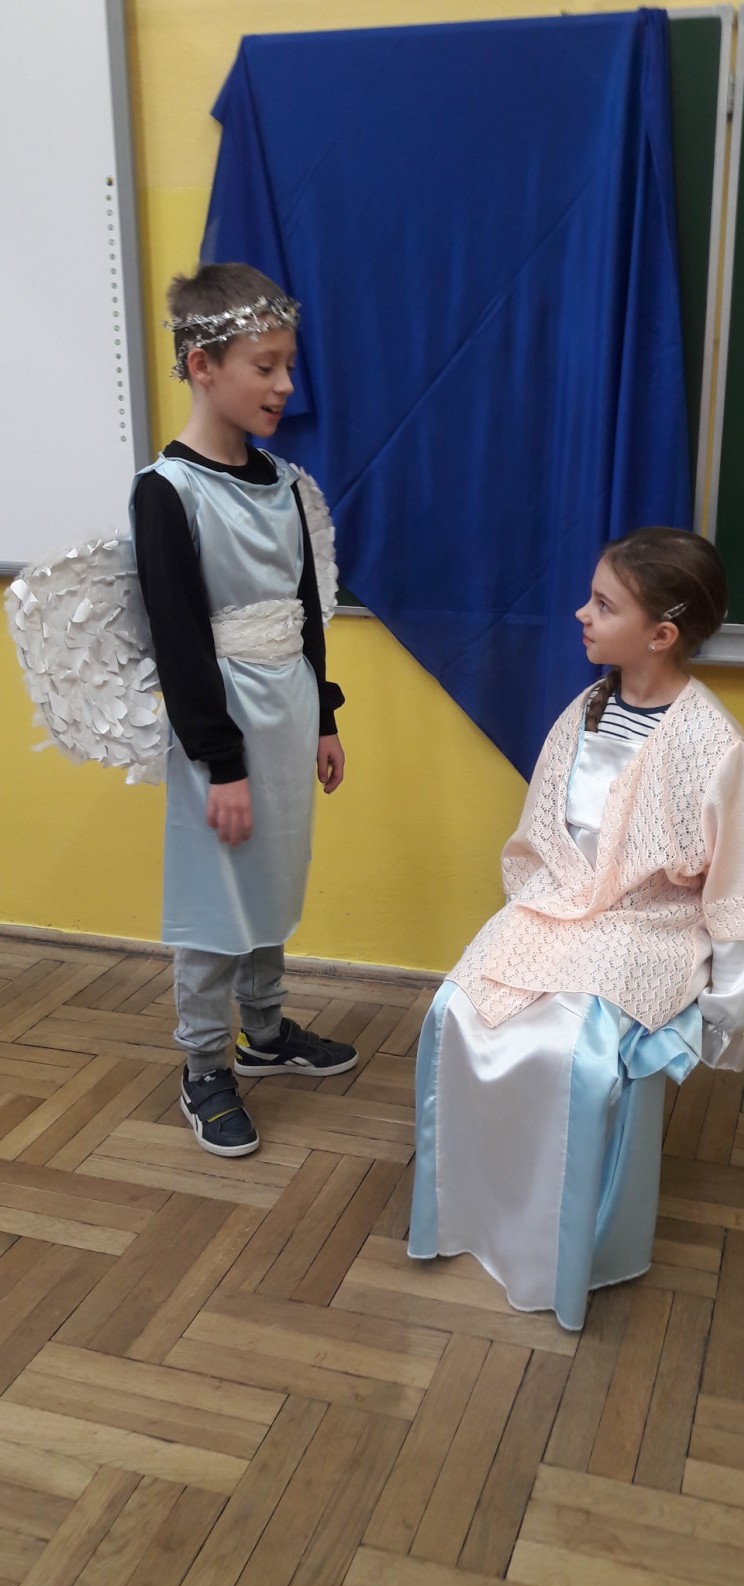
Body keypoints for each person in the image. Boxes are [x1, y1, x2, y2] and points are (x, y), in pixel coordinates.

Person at [409, 526, 744, 1329]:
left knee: (568, 1049)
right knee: (456, 1011)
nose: (582, 613)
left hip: (651, 924)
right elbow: (539, 837)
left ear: (661, 634)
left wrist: (728, 1011)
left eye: (604, 605)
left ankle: (558, 1249)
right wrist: (542, 909)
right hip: (561, 902)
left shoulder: (716, 748)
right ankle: (473, 1215)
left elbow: (739, 893)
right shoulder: (586, 710)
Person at [131, 262, 357, 1160]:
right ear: (202, 366)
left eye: (288, 365)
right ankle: (203, 1065)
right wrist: (218, 761)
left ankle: (264, 1032)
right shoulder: (168, 492)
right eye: (266, 366)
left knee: (269, 878)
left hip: (288, 711)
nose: (285, 385)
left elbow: (306, 612)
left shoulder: (287, 484)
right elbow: (180, 640)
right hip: (219, 725)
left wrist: (325, 716)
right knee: (214, 895)